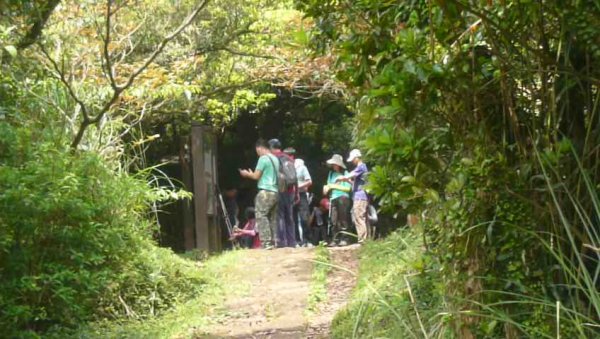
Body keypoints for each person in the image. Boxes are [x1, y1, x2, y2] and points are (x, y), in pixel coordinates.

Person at [239, 139, 279, 249]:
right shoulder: (275, 159)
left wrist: (247, 174)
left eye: (257, 151)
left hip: (265, 191)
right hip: (275, 191)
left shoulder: (263, 159)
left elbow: (256, 176)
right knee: (272, 217)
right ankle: (274, 241)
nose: (257, 153)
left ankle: (266, 243)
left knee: (261, 215)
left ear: (260, 148)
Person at [337, 149, 369, 243]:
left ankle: (363, 239)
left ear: (357, 158)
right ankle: (362, 238)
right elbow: (353, 183)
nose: (352, 162)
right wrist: (346, 180)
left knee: (359, 216)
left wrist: (342, 178)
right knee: (358, 217)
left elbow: (350, 175)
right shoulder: (360, 169)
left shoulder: (361, 167)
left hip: (360, 196)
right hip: (358, 195)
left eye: (353, 159)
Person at [269, 138, 297, 248]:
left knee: (280, 215)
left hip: (280, 190)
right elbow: (294, 177)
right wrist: (297, 193)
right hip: (290, 191)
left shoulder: (274, 158)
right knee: (289, 216)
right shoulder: (288, 158)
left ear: (271, 147)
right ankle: (292, 242)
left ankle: (281, 241)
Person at [323, 154, 352, 246]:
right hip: (333, 197)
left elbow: (348, 188)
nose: (334, 165)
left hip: (343, 197)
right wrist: (326, 188)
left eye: (335, 164)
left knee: (343, 219)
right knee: (333, 220)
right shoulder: (331, 174)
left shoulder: (345, 173)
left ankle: (345, 238)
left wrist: (333, 186)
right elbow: (328, 185)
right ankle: (334, 239)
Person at [294, 158, 313, 246]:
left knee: (304, 217)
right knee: (293, 219)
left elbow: (309, 181)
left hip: (301, 194)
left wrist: (299, 186)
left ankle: (307, 240)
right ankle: (297, 241)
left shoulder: (302, 168)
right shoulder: (289, 168)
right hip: (291, 196)